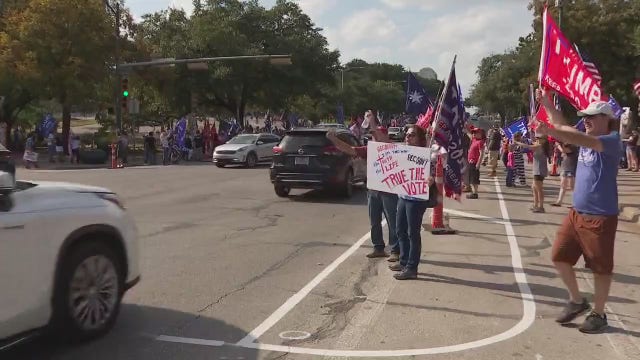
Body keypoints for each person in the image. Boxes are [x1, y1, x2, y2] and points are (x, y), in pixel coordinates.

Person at [537, 88, 620, 334]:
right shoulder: (586, 134)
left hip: (600, 218)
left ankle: (599, 313)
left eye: (592, 116)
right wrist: (548, 104)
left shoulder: (610, 140)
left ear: (607, 118)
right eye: (585, 116)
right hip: (577, 214)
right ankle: (576, 300)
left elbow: (576, 138)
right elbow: (566, 128)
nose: (586, 119)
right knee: (559, 257)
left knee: (600, 268)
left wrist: (549, 131)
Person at [326, 115, 399, 261]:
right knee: (374, 221)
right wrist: (334, 140)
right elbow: (350, 149)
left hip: (389, 191)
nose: (373, 137)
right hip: (373, 190)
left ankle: (395, 249)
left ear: (385, 135)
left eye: (376, 135)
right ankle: (378, 247)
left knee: (392, 221)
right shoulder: (368, 150)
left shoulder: (392, 148)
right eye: (372, 135)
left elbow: (384, 141)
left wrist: (372, 123)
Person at [388, 125, 437, 280]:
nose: (408, 138)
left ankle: (411, 267)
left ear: (420, 138)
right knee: (400, 230)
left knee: (412, 234)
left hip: (416, 199)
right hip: (403, 196)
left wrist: (431, 179)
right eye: (407, 135)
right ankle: (403, 261)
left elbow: (434, 172)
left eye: (412, 135)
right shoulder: (403, 151)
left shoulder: (427, 155)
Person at [515, 133, 551, 213]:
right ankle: (535, 205)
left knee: (539, 189)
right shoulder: (538, 144)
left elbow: (529, 146)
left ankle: (541, 207)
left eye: (539, 138)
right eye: (537, 138)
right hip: (536, 169)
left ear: (544, 140)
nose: (537, 139)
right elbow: (531, 140)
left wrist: (516, 142)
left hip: (539, 170)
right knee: (534, 188)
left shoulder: (540, 146)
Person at [552, 142, 578, 207]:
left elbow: (564, 150)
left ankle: (575, 203)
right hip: (565, 167)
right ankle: (559, 201)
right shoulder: (565, 144)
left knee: (572, 186)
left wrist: (558, 145)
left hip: (572, 168)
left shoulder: (574, 145)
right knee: (563, 185)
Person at [466, 127, 486, 199]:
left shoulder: (480, 142)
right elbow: (469, 134)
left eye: (475, 133)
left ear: (480, 134)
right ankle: (474, 192)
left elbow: (481, 153)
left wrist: (478, 163)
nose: (474, 134)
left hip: (474, 162)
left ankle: (475, 193)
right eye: (473, 133)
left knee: (474, 179)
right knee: (471, 178)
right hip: (471, 162)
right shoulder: (474, 140)